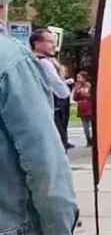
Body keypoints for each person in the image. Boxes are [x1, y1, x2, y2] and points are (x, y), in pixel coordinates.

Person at [1, 34, 79, 234]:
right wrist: (59, 226)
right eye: (49, 41)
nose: (53, 45)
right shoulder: (13, 60)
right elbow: (43, 160)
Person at [73, 71, 94, 147]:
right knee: (85, 126)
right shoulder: (77, 86)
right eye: (77, 77)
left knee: (92, 124)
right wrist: (77, 91)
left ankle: (93, 139)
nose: (78, 79)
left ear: (84, 78)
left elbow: (91, 96)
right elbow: (75, 98)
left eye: (79, 77)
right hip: (82, 107)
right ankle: (88, 140)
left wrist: (83, 94)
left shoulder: (88, 85)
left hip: (89, 106)